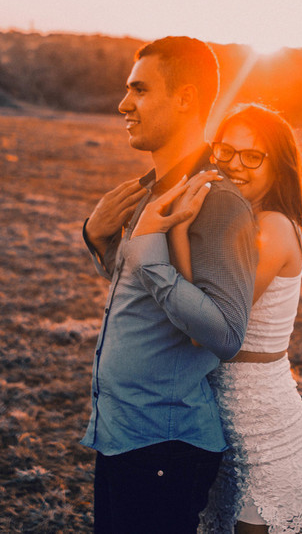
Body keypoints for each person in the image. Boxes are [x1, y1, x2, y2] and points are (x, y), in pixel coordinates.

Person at [80, 36, 258, 534]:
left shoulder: (215, 201)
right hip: (123, 434)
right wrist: (97, 238)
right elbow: (147, 291)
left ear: (185, 99)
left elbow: (225, 333)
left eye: (139, 90)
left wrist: (146, 248)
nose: (124, 105)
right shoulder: (152, 192)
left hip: (164, 446)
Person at [170, 104, 302, 534]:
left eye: (252, 156)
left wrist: (177, 230)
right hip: (225, 440)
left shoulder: (271, 228)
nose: (234, 164)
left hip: (270, 444)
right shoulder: (237, 218)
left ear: (279, 165)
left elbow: (207, 327)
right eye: (225, 150)